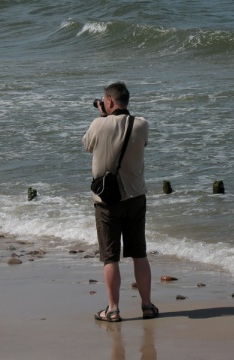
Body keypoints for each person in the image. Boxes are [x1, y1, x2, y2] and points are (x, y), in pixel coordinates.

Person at [82, 82, 158, 322]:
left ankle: (113, 309)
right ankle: (146, 305)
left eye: (104, 100)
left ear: (110, 102)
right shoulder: (141, 124)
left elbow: (87, 145)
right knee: (139, 253)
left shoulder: (98, 124)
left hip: (107, 200)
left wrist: (102, 117)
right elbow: (141, 142)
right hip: (136, 197)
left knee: (110, 256)